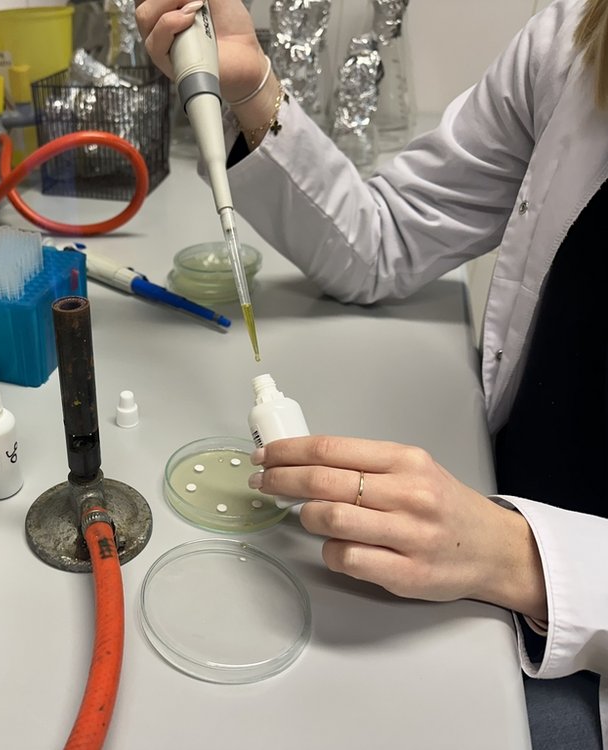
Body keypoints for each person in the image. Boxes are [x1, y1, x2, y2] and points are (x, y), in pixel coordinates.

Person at [136, 0, 608, 748]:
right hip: (495, 519)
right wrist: (252, 88)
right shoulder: (577, 42)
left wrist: (525, 558)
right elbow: (386, 241)